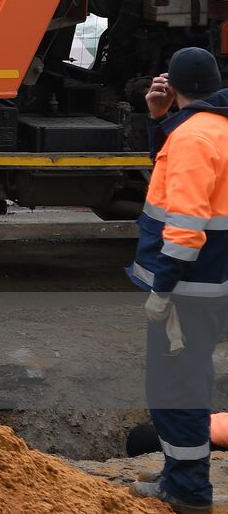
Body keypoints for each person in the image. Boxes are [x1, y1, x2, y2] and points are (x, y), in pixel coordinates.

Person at [130, 46, 228, 511]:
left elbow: (184, 228)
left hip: (186, 290)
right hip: (210, 285)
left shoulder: (193, 138)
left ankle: (187, 490)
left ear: (174, 83)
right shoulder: (212, 129)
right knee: (187, 382)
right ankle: (178, 471)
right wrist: (160, 119)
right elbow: (171, 180)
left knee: (174, 389)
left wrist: (162, 291)